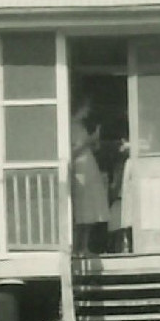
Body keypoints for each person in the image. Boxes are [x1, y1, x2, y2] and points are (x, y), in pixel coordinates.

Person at [69, 95, 110, 254]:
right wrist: (87, 142)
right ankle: (77, 247)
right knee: (81, 210)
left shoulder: (81, 126)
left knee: (91, 210)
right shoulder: (70, 126)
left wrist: (95, 142)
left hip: (89, 168)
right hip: (79, 171)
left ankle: (85, 247)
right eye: (86, 108)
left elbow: (88, 148)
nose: (88, 112)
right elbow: (70, 152)